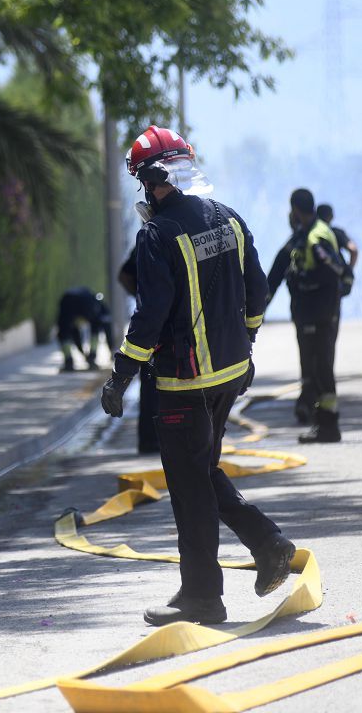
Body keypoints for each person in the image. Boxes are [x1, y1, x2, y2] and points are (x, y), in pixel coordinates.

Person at [100, 125, 296, 626]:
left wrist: (121, 374)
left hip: (184, 384)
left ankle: (203, 597)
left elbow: (150, 317)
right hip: (230, 376)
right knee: (202, 473)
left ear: (150, 179)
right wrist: (245, 345)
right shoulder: (228, 219)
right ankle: (268, 543)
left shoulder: (157, 235)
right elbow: (257, 292)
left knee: (189, 486)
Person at [267, 189, 347, 442]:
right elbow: (278, 270)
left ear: (295, 210)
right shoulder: (315, 232)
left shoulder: (315, 238)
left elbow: (332, 271)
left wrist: (303, 280)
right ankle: (323, 424)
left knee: (319, 369)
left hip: (317, 316)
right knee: (317, 368)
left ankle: (328, 426)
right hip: (319, 314)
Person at [117, 249, 159, 454]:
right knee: (152, 381)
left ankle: (151, 441)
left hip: (153, 319)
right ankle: (153, 442)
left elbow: (124, 275)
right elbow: (124, 275)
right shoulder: (151, 238)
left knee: (151, 383)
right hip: (158, 323)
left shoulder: (148, 239)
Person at [55, 286, 114, 372]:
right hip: (86, 302)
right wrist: (111, 349)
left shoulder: (91, 301)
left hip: (66, 300)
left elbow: (75, 334)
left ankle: (68, 362)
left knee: (64, 332)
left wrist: (82, 352)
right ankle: (92, 358)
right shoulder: (99, 306)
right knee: (95, 329)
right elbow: (107, 330)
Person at [317, 203, 359, 270]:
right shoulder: (336, 232)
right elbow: (353, 250)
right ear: (331, 216)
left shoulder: (311, 235)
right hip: (337, 275)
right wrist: (348, 270)